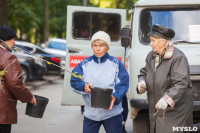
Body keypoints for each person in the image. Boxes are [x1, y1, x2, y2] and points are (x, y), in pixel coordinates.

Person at [137, 24, 193, 133]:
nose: (150, 44)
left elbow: (181, 84)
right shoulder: (151, 55)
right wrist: (141, 81)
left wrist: (166, 100)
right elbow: (144, 72)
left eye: (153, 41)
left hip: (174, 113)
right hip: (156, 111)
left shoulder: (178, 57)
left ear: (163, 41)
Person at [70, 31, 129, 133]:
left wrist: (115, 96)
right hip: (91, 114)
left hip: (112, 114)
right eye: (95, 45)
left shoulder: (116, 64)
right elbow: (75, 80)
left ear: (107, 47)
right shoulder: (84, 64)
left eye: (101, 45)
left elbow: (123, 83)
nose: (97, 49)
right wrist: (84, 86)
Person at [0, 26, 37, 133]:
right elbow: (15, 83)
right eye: (13, 39)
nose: (14, 43)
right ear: (5, 40)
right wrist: (29, 97)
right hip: (2, 111)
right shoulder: (8, 57)